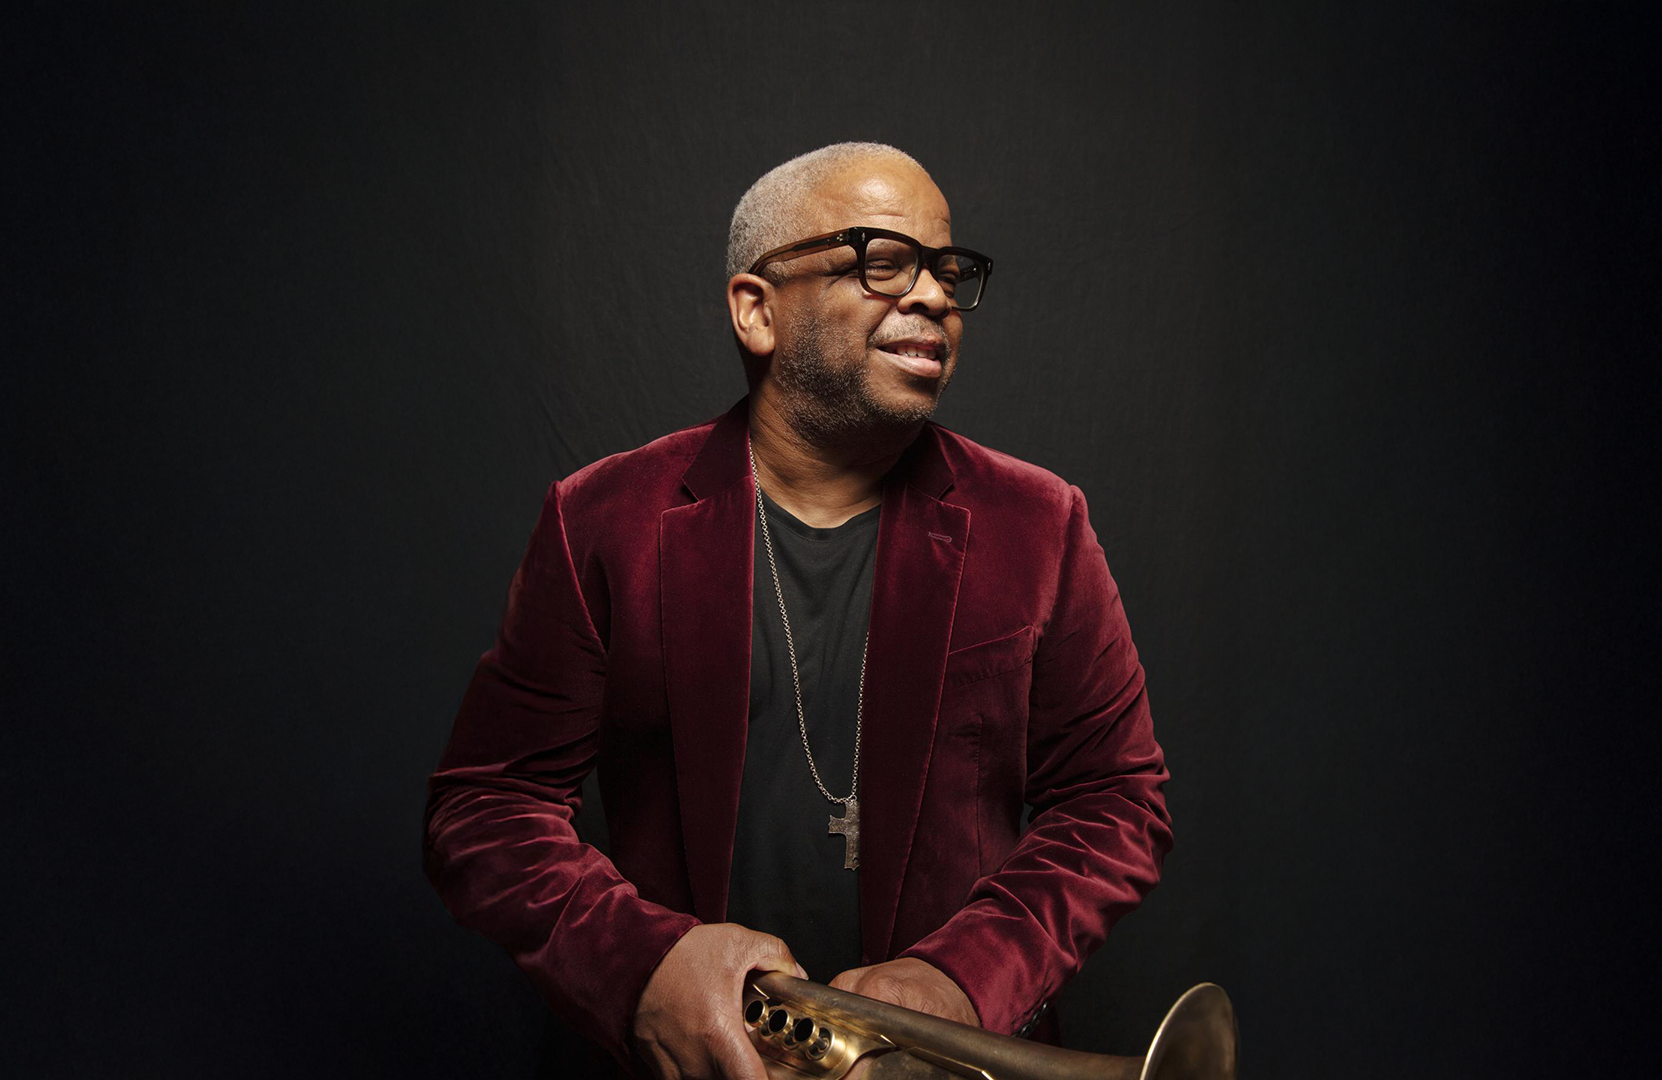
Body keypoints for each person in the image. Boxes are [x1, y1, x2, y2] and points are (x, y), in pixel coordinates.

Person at [425, 142, 1171, 1080]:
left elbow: (1116, 800)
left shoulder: (1041, 524)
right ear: (756, 310)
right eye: (882, 259)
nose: (935, 295)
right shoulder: (601, 519)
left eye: (948, 269)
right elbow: (487, 805)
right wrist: (642, 967)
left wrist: (959, 981)